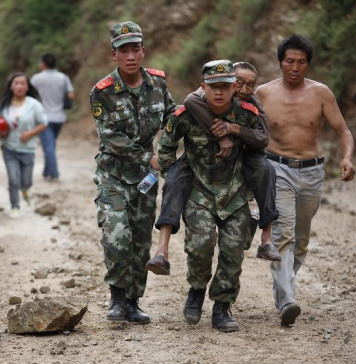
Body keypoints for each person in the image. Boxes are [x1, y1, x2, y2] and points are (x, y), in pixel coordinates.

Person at [255, 34, 355, 326]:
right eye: (290, 61)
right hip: (277, 168)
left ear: (308, 64)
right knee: (282, 235)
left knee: (300, 241)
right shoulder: (264, 93)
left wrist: (348, 157)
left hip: (312, 171)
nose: (295, 67)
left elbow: (343, 131)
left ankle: (282, 289)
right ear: (280, 62)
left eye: (301, 62)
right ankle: (287, 300)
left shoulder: (321, 93)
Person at [147, 61, 280, 277]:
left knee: (266, 170)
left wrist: (234, 129)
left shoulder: (249, 106)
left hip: (242, 161)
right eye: (238, 83)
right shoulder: (198, 101)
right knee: (174, 179)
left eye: (250, 85)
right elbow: (190, 102)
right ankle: (162, 250)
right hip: (199, 164)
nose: (243, 90)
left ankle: (266, 237)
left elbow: (263, 137)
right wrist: (222, 136)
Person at [157, 60, 261, 332]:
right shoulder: (185, 114)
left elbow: (262, 142)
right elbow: (166, 147)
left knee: (233, 252)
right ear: (203, 87)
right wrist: (175, 177)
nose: (219, 92)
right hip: (199, 191)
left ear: (233, 87)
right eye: (213, 87)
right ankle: (196, 289)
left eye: (225, 87)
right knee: (200, 246)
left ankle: (222, 307)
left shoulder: (246, 113)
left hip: (235, 193)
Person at [90, 21, 175, 324]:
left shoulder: (158, 84)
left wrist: (167, 150)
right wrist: (147, 156)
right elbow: (110, 137)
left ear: (143, 51)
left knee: (140, 240)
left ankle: (133, 301)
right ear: (113, 54)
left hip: (144, 180)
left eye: (134, 49)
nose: (130, 56)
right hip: (112, 175)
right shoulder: (102, 92)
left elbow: (173, 119)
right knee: (117, 235)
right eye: (123, 50)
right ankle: (116, 297)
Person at [0, 73, 48, 218]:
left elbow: (44, 123)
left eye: (22, 83)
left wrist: (30, 134)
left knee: (26, 181)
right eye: (16, 83)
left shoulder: (34, 104)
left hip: (28, 149)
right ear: (11, 86)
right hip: (9, 148)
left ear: (27, 86)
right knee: (13, 179)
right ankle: (15, 206)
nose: (19, 86)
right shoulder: (3, 105)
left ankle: (25, 190)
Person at [30, 53, 74, 181]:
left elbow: (29, 95)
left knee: (48, 146)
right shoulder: (63, 77)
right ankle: (46, 171)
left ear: (43, 64)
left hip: (43, 118)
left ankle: (53, 173)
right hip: (59, 117)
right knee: (50, 145)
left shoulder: (36, 79)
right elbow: (71, 95)